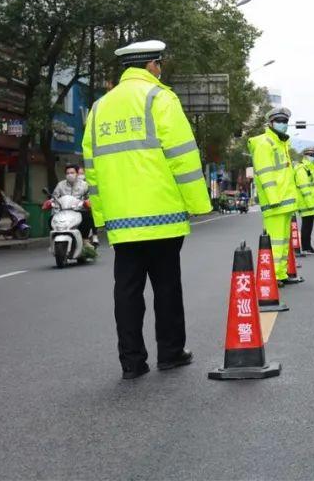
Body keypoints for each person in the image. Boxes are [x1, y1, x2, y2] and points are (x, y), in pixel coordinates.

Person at [82, 40, 211, 380]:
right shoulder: (160, 98)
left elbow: (91, 170)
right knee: (166, 286)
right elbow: (183, 156)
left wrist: (101, 217)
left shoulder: (99, 108)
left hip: (122, 221)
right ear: (151, 65)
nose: (160, 69)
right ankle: (170, 353)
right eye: (160, 64)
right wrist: (198, 205)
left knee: (126, 290)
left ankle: (132, 362)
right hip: (162, 217)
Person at [249, 107, 298, 283]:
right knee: (276, 241)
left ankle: (281, 274)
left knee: (283, 241)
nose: (283, 124)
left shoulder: (280, 143)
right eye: (279, 121)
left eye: (285, 121)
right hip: (275, 202)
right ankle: (272, 276)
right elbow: (265, 174)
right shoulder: (265, 143)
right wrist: (273, 199)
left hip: (285, 201)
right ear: (270, 123)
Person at [52, 163, 94, 246]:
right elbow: (55, 197)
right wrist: (51, 202)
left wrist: (87, 202)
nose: (70, 175)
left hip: (79, 210)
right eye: (67, 173)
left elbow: (89, 197)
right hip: (63, 212)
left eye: (72, 173)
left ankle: (85, 239)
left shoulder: (84, 185)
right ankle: (55, 236)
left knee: (87, 217)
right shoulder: (60, 185)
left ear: (77, 174)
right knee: (51, 218)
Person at [294, 147, 314, 254]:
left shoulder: (310, 168)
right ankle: (306, 248)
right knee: (306, 226)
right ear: (306, 156)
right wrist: (310, 203)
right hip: (306, 203)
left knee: (309, 225)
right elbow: (304, 187)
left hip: (310, 203)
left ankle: (308, 246)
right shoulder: (302, 169)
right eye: (312, 156)